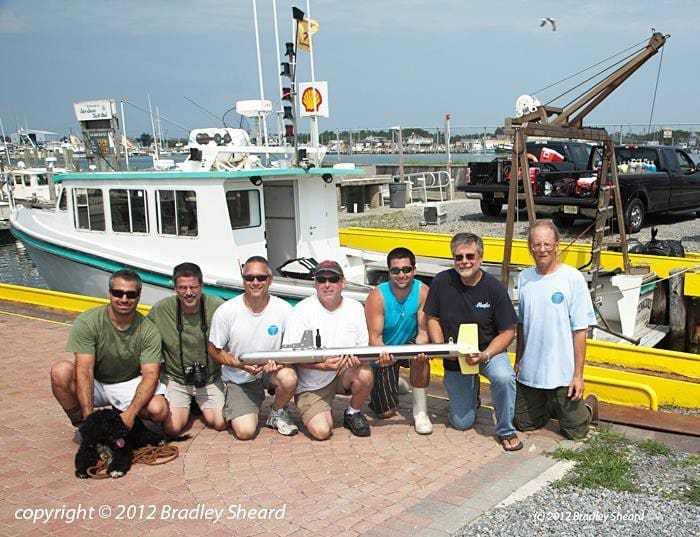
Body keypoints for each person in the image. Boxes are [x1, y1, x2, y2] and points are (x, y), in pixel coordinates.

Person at [424, 232, 522, 451]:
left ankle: (506, 429)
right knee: (461, 423)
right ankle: (472, 395)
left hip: (488, 352)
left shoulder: (494, 288)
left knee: (504, 378)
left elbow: (508, 332)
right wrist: (443, 348)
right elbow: (432, 317)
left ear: (480, 257)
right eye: (459, 257)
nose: (464, 261)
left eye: (470, 256)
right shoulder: (441, 282)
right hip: (455, 355)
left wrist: (485, 355)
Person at [50, 269, 168, 429]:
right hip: (97, 381)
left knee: (159, 410)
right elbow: (84, 370)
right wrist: (89, 417)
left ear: (138, 297)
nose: (124, 299)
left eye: (131, 294)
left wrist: (130, 415)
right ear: (110, 294)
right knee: (60, 371)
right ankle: (81, 423)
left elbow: (151, 375)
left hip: (128, 382)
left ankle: (123, 413)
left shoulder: (148, 330)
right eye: (118, 293)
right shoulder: (88, 322)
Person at [514, 220, 598, 440]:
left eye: (547, 244)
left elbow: (580, 330)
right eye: (536, 244)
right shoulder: (524, 278)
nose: (542, 250)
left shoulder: (573, 278)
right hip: (531, 370)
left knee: (576, 432)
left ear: (557, 245)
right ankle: (550, 404)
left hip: (563, 372)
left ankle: (588, 407)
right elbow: (521, 324)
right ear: (530, 247)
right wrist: (519, 359)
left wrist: (578, 375)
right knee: (522, 424)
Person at [208, 256, 298, 439]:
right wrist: (238, 364)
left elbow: (294, 349)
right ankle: (241, 402)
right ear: (243, 280)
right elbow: (213, 349)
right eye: (249, 278)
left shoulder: (284, 309)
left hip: (270, 371)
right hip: (239, 376)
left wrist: (279, 363)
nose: (255, 282)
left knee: (289, 377)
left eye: (261, 278)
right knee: (245, 432)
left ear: (270, 280)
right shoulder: (227, 311)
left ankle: (277, 412)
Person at [283, 260, 374, 440]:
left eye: (333, 279)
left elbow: (363, 348)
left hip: (342, 371)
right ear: (314, 283)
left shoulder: (356, 308)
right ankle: (316, 407)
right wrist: (322, 366)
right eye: (321, 279)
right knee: (322, 432)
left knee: (365, 373)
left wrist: (358, 360)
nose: (327, 284)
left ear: (343, 283)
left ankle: (353, 412)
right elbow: (290, 357)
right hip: (312, 382)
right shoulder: (301, 311)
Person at [147, 262, 226, 436]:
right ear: (174, 288)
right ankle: (188, 405)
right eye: (182, 288)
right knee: (172, 429)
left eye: (193, 287)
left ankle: (198, 404)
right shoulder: (161, 310)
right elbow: (143, 337)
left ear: (202, 286)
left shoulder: (218, 306)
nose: (188, 293)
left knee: (220, 422)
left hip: (209, 378)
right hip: (177, 379)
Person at [365, 247, 433, 434]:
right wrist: (385, 355)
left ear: (414, 270)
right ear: (389, 272)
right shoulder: (377, 296)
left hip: (409, 344)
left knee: (421, 355)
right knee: (385, 412)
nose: (401, 275)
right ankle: (397, 382)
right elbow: (375, 338)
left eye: (406, 269)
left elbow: (423, 332)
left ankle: (420, 412)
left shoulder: (423, 291)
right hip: (385, 350)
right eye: (395, 271)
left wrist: (420, 349)